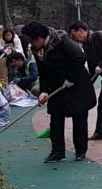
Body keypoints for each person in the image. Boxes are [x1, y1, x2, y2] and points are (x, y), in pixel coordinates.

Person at [22, 21, 97, 163]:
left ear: (40, 37)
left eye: (32, 40)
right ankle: (57, 152)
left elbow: (79, 57)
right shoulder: (38, 50)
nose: (31, 44)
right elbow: (43, 72)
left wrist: (70, 79)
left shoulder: (62, 41)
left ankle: (80, 151)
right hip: (56, 87)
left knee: (79, 118)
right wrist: (43, 91)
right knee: (55, 118)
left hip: (76, 85)